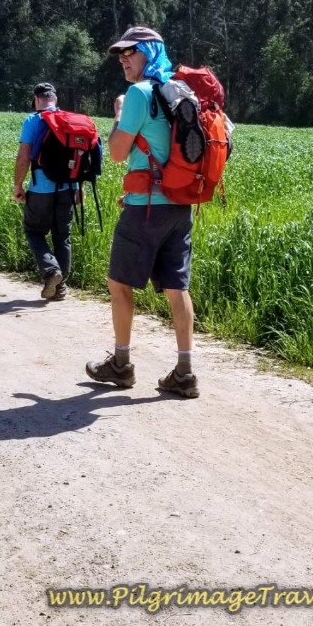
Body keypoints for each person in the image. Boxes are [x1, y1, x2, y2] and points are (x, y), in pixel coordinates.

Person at [85, 26, 199, 398]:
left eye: (129, 52)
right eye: (120, 53)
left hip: (145, 208)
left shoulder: (138, 93)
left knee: (119, 283)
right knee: (176, 286)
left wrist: (119, 113)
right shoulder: (179, 91)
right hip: (180, 206)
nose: (122, 58)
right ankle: (184, 372)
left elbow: (117, 154)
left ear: (148, 53)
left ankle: (120, 365)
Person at [12, 82, 74, 301]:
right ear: (55, 99)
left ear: (36, 100)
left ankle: (51, 271)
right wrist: (78, 188)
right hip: (68, 188)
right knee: (62, 236)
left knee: (34, 231)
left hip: (41, 189)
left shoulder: (33, 120)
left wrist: (18, 185)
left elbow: (23, 158)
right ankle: (61, 288)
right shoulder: (70, 120)